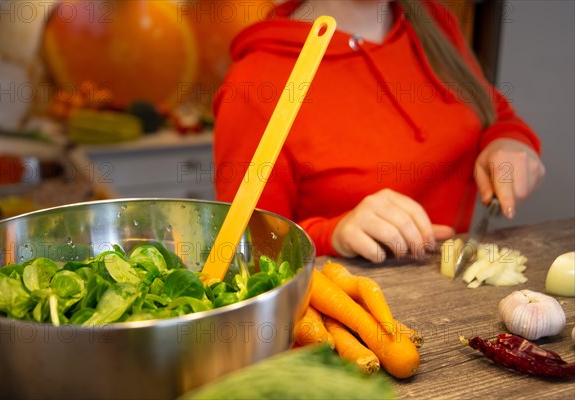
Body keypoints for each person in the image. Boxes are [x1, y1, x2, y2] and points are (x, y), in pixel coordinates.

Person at [212, 0, 545, 264]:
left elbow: (495, 116)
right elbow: (246, 253)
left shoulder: (433, 21)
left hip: (448, 294)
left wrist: (509, 141)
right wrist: (334, 234)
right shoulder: (254, 84)